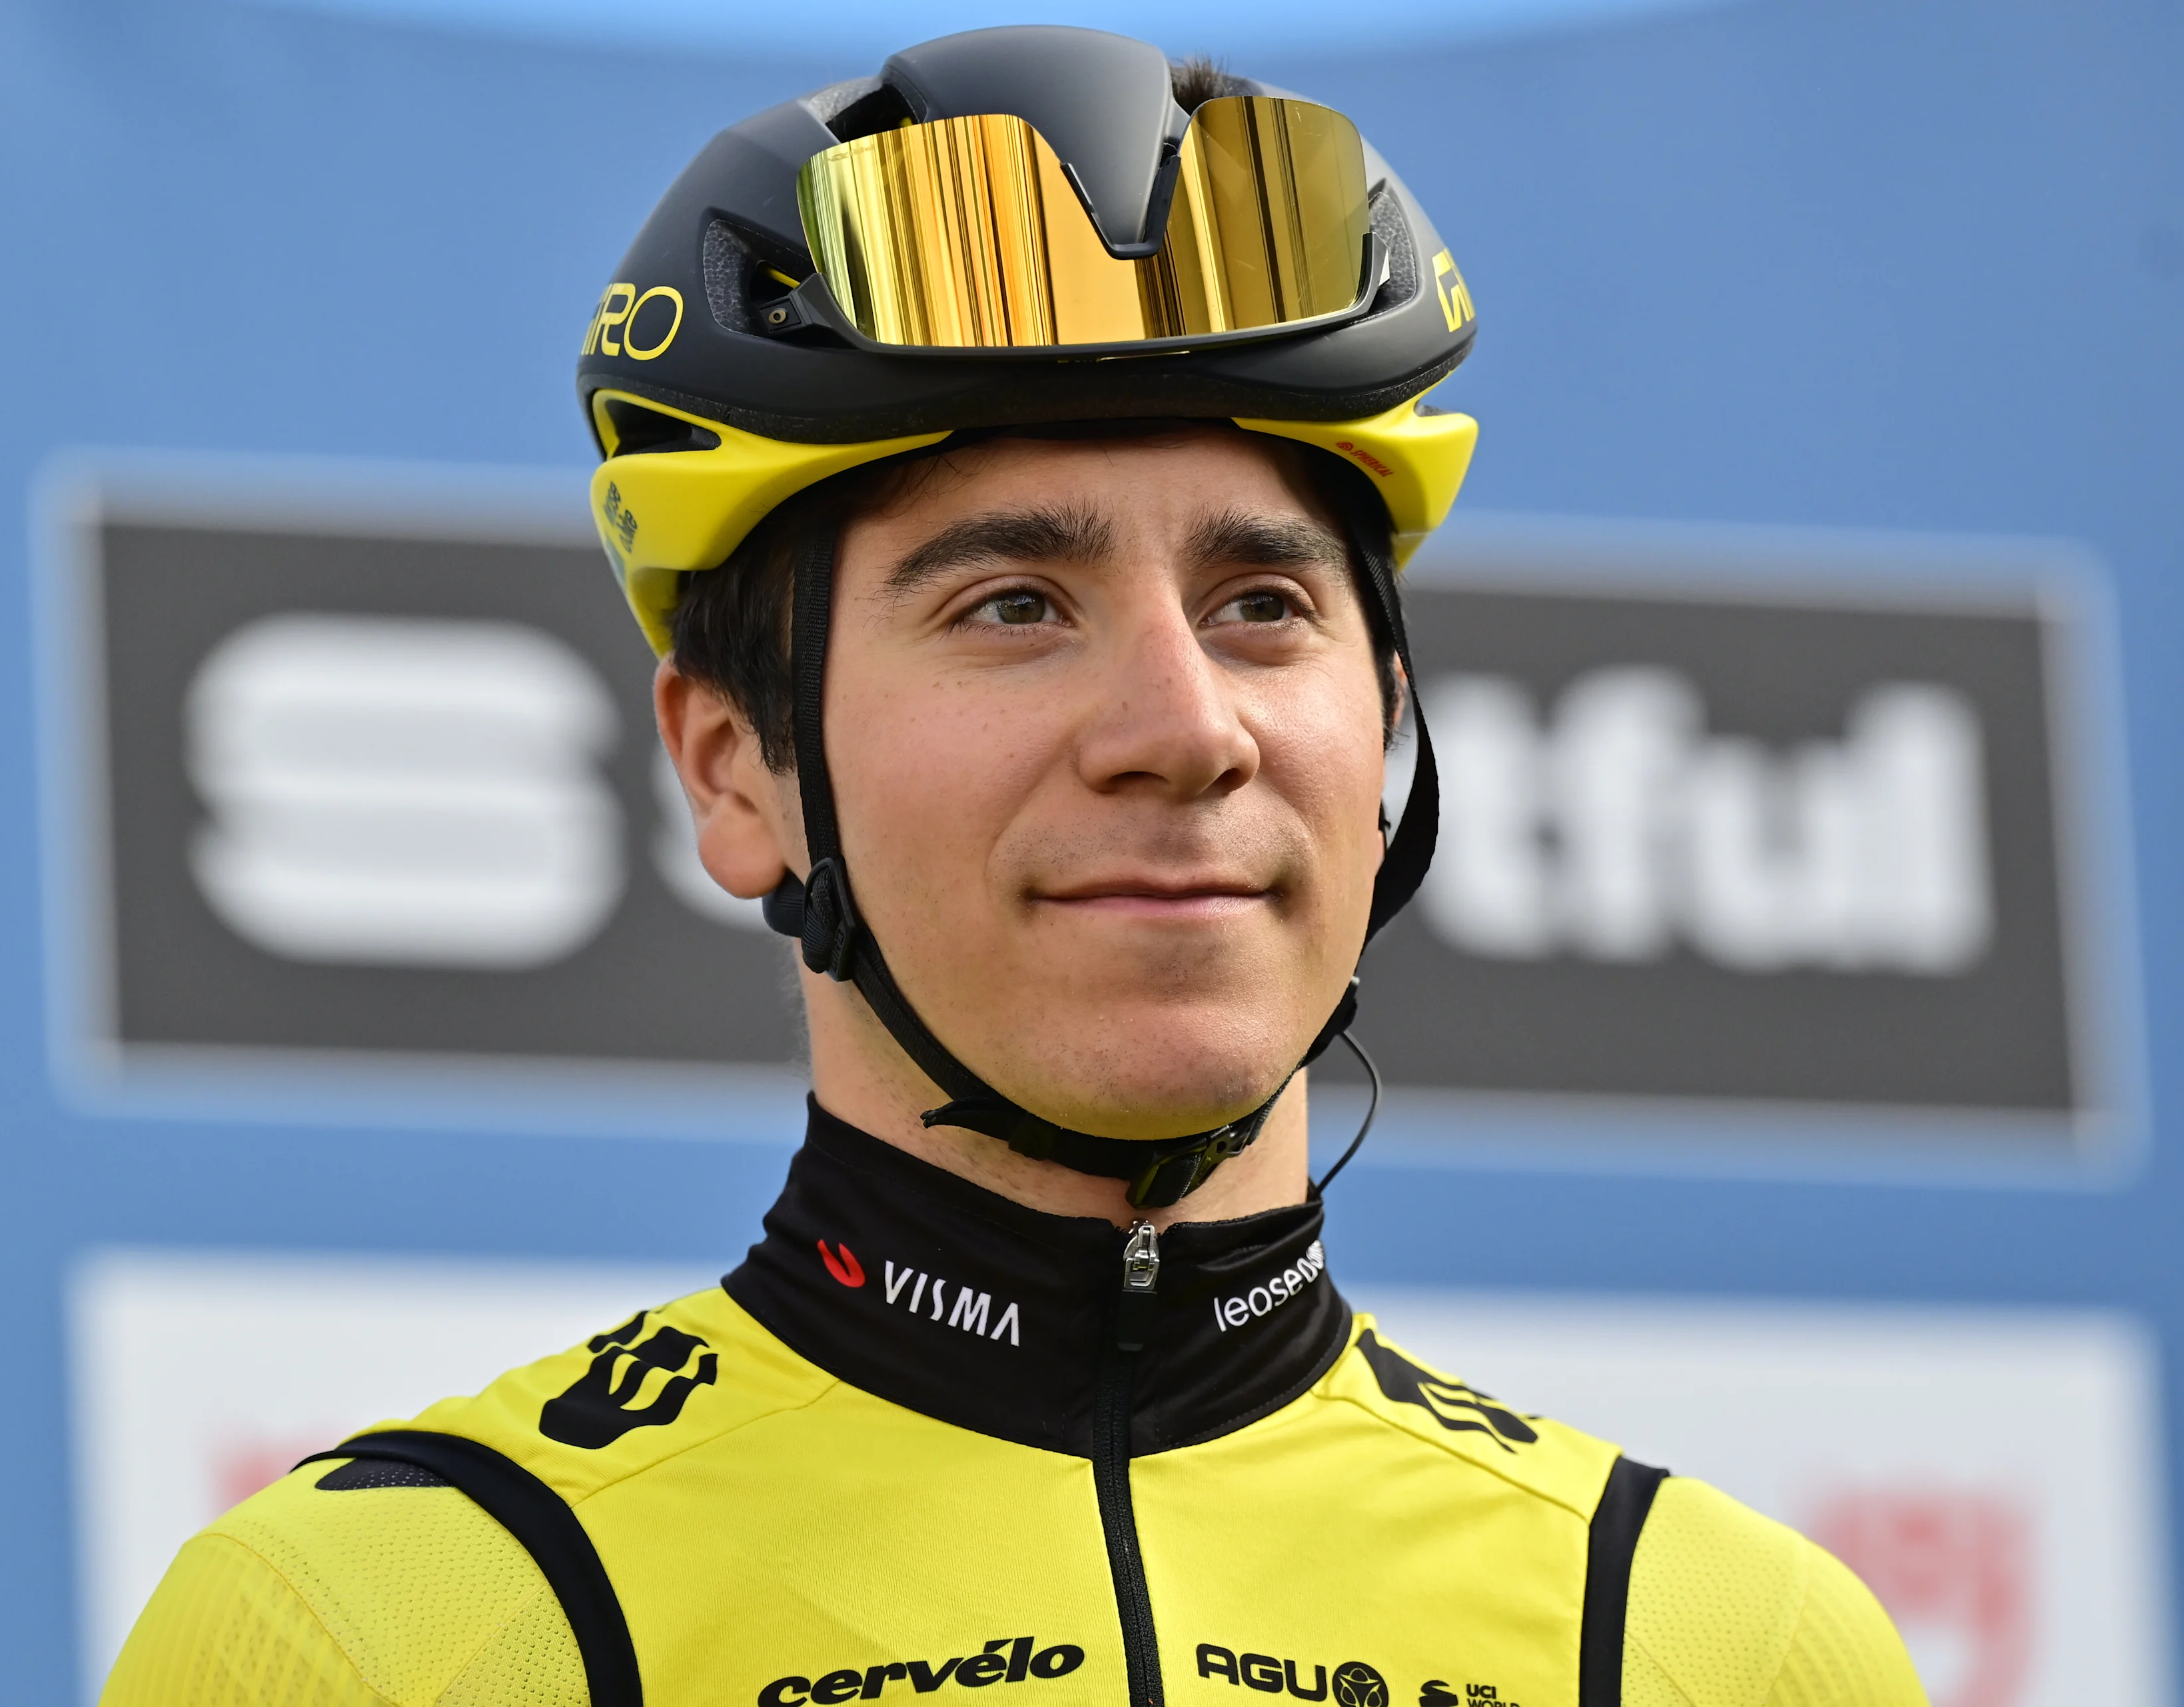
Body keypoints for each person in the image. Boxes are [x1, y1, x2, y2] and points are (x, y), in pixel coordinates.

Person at [103, 27, 1926, 1707]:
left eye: (1262, 603)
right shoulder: (386, 1631)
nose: (1183, 724)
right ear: (739, 770)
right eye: (1014, 604)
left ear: (1385, 734)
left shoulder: (1719, 1646)